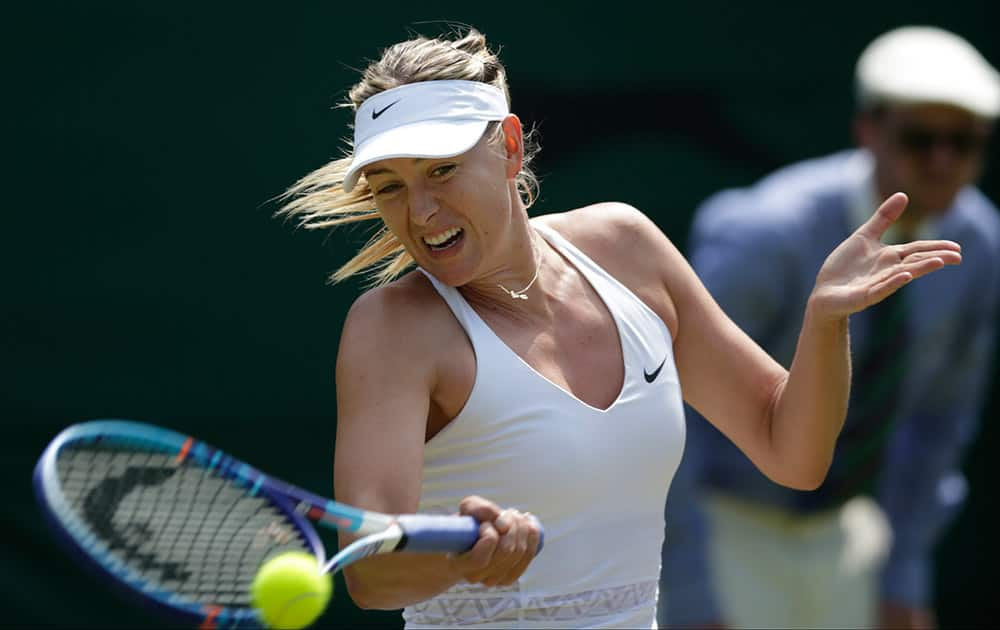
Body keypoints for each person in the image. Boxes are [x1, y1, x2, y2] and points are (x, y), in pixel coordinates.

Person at [279, 28, 961, 629]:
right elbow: (371, 576)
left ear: (510, 148)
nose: (421, 210)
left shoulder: (625, 245)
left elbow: (794, 452)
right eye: (390, 185)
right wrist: (466, 555)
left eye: (442, 170)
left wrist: (824, 322)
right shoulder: (391, 329)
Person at [658, 26, 999, 630]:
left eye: (965, 141)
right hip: (727, 527)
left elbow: (941, 423)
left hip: (851, 534)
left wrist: (905, 573)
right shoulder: (769, 232)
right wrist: (690, 588)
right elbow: (667, 404)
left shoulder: (978, 244)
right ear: (868, 129)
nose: (943, 160)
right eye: (920, 138)